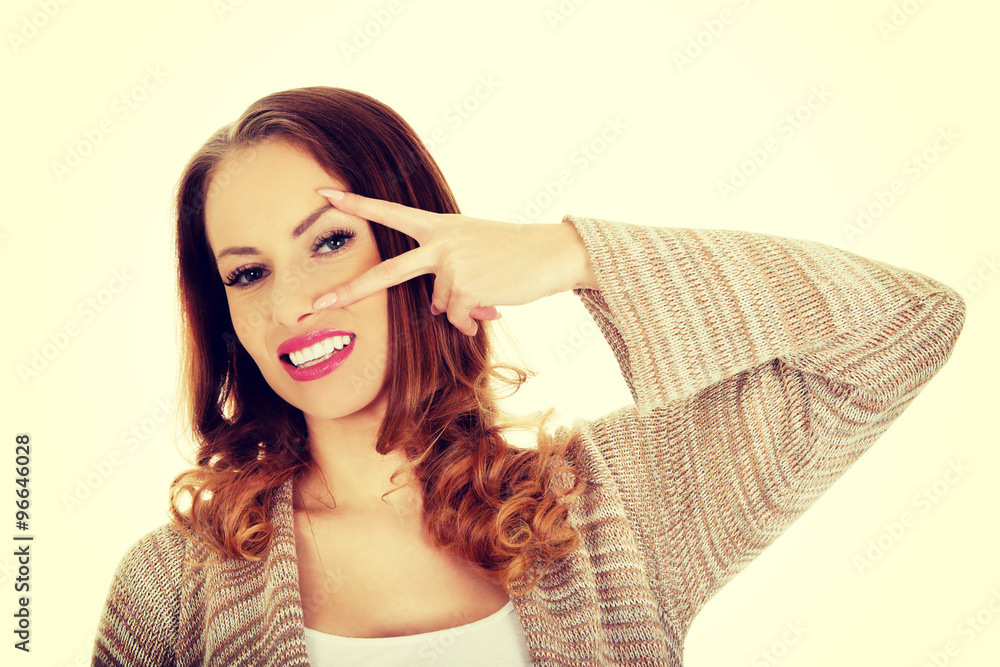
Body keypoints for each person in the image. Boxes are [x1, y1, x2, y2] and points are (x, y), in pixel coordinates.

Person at [91, 86, 966, 666]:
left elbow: (905, 326)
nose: (294, 305)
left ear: (417, 244)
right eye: (248, 273)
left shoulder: (612, 507)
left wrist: (569, 252)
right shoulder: (172, 589)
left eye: (329, 242)